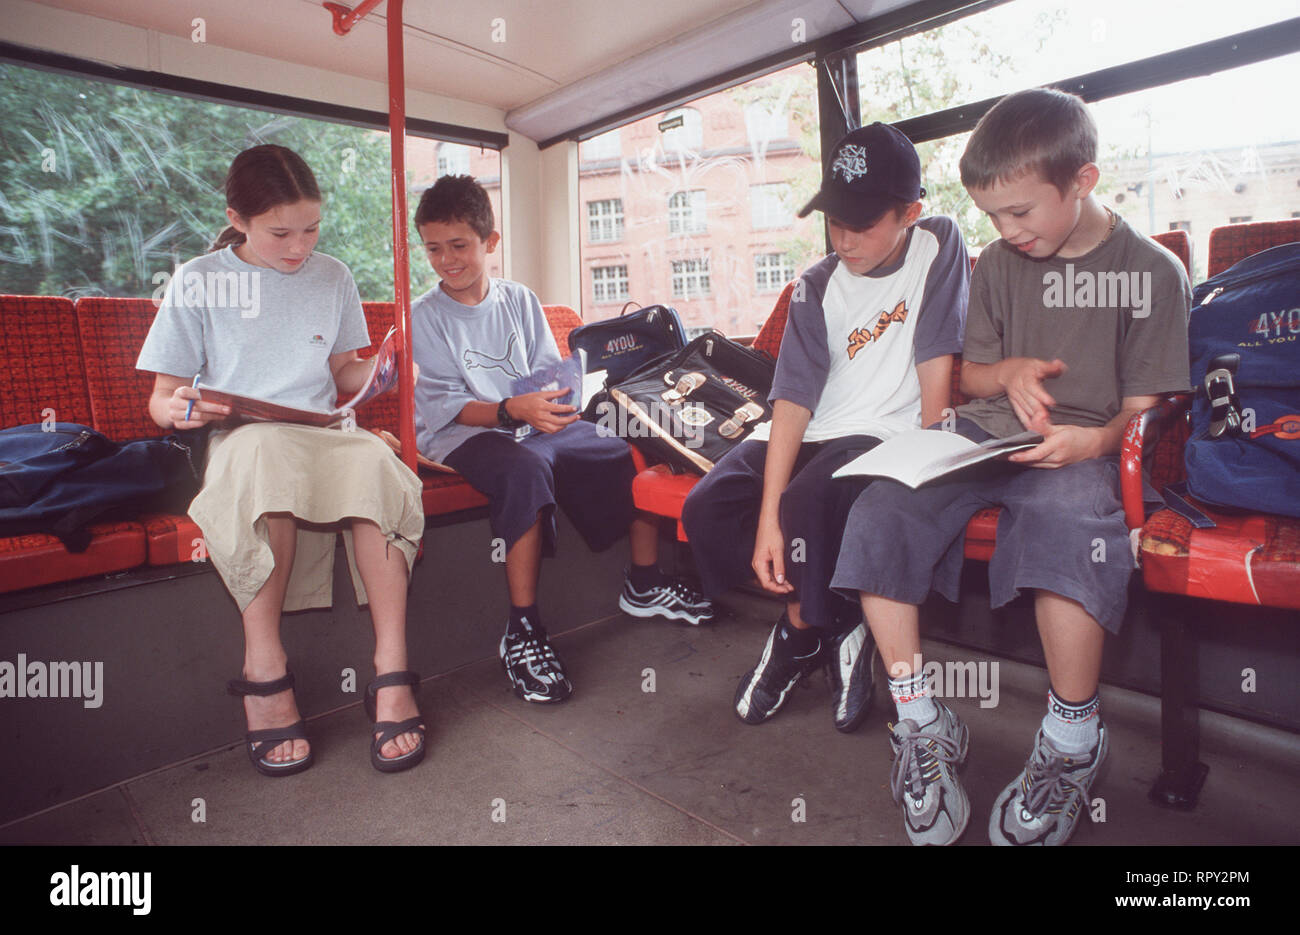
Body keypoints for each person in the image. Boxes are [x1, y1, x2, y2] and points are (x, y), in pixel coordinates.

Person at [831, 89, 1192, 845]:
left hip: (1083, 446)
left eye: (1022, 211)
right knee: (879, 506)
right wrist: (1012, 374)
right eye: (992, 215)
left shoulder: (1151, 270)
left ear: (1084, 180)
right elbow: (974, 379)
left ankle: (1071, 737)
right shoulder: (995, 263)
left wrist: (1089, 444)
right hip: (987, 438)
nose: (1006, 231)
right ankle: (922, 722)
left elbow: (1145, 415)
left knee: (1065, 517)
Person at [137, 144, 428, 776]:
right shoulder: (198, 279)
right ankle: (264, 666)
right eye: (280, 233)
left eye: (312, 229)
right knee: (266, 456)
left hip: (323, 430)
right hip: (245, 436)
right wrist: (182, 408)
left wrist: (382, 367)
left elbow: (342, 372)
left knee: (378, 464)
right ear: (236, 218)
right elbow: (162, 399)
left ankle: (392, 669)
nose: (300, 247)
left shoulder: (334, 276)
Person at [680, 123, 968, 732]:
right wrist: (765, 517)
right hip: (812, 429)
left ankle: (798, 633)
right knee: (706, 508)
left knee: (808, 503)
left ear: (911, 212)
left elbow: (936, 358)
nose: (845, 239)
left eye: (863, 224)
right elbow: (792, 400)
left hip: (881, 432)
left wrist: (927, 458)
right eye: (835, 221)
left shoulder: (938, 245)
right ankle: (833, 622)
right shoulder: (815, 283)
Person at [409, 174, 714, 705]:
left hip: (528, 422)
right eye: (433, 249)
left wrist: (557, 401)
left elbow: (544, 375)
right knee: (523, 470)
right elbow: (442, 405)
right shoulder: (426, 316)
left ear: (490, 243)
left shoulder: (520, 300)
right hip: (460, 433)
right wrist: (510, 409)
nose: (446, 260)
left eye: (459, 245)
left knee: (620, 442)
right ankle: (523, 629)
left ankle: (643, 581)